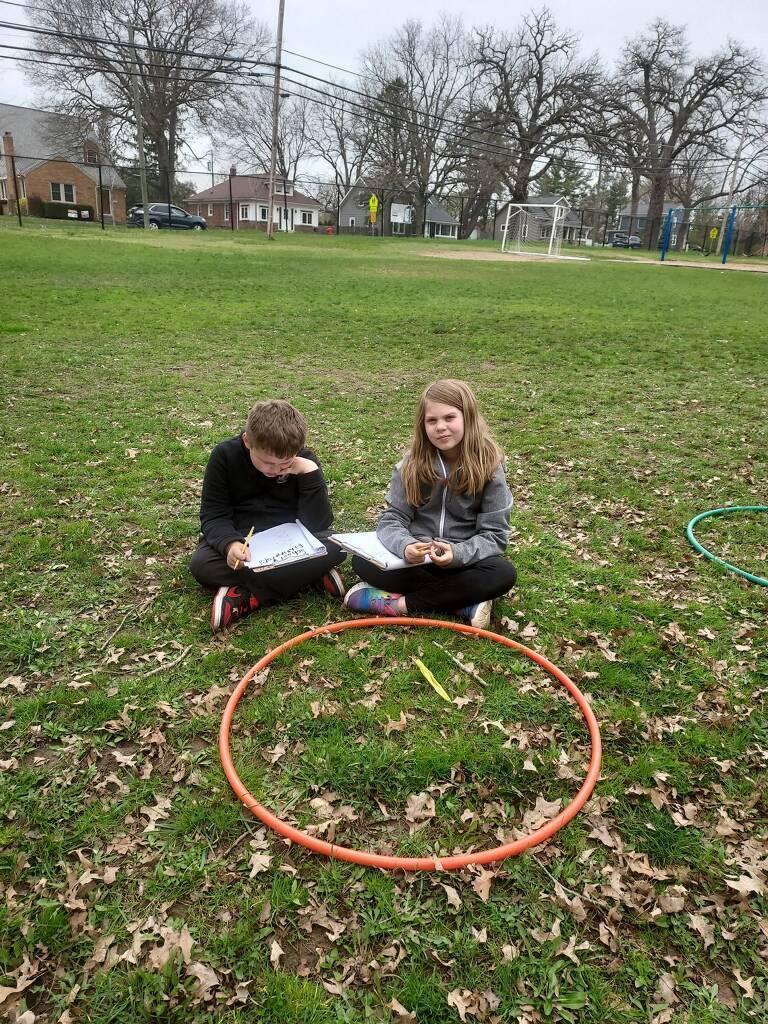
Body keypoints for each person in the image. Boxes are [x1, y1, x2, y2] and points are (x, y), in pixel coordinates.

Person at [344, 380, 516, 629]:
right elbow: (393, 519)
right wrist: (406, 546)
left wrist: (457, 554)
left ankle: (399, 605)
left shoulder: (489, 467)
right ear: (422, 425)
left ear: (467, 417)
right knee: (361, 562)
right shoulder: (411, 465)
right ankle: (461, 603)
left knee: (502, 573)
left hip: (464, 562)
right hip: (417, 562)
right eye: (432, 421)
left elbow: (495, 536)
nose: (441, 427)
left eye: (449, 417)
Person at [190, 400, 345, 631]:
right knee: (202, 565)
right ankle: (307, 576)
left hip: (291, 540)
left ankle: (245, 596)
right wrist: (230, 545)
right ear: (247, 442)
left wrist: (309, 473)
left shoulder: (304, 460)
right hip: (245, 541)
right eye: (267, 463)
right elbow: (213, 515)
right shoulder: (224, 456)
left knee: (339, 546)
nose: (275, 470)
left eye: (285, 464)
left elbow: (318, 524)